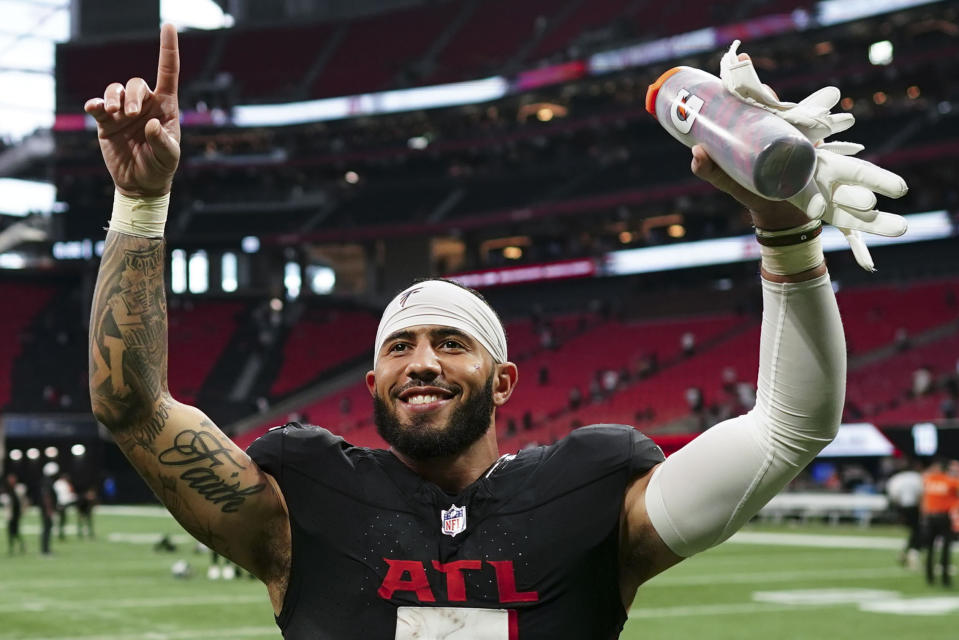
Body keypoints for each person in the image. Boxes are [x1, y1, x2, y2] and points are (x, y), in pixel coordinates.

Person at [85, 26, 905, 638]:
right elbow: (130, 406)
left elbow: (791, 427)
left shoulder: (592, 490)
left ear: (504, 379)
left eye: (451, 342)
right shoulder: (300, 500)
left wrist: (780, 226)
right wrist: (142, 203)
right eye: (399, 347)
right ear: (371, 386)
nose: (422, 362)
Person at [920, 459, 959, 587]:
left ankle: (929, 577)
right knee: (946, 548)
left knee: (930, 548)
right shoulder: (951, 481)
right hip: (944, 517)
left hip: (930, 516)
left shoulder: (929, 480)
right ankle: (945, 579)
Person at [886, 459, 923, 569]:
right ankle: (912, 552)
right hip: (915, 507)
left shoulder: (897, 478)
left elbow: (893, 494)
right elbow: (921, 493)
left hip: (901, 507)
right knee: (918, 531)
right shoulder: (917, 477)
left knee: (915, 531)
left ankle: (907, 551)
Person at [4, 473, 26, 555]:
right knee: (10, 532)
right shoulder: (8, 489)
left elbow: (23, 501)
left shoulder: (19, 488)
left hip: (16, 514)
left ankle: (21, 545)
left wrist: (23, 511)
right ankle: (11, 548)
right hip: (11, 515)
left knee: (16, 532)